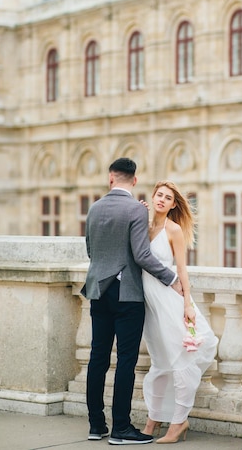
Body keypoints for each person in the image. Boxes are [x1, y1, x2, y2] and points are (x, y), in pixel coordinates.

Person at [81, 158, 182, 445]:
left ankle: (96, 425)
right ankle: (121, 429)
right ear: (134, 181)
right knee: (126, 360)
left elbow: (90, 249)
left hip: (98, 290)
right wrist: (171, 278)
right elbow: (142, 255)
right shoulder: (136, 210)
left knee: (97, 358)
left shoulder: (95, 208)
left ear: (111, 178)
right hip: (127, 294)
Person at [141, 180, 218, 444]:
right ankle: (152, 421)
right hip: (150, 304)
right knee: (160, 363)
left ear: (174, 204)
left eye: (167, 197)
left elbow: (182, 270)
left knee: (180, 362)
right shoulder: (143, 226)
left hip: (169, 300)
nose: (162, 199)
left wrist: (187, 304)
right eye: (159, 195)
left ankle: (178, 422)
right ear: (152, 197)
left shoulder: (173, 230)